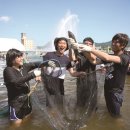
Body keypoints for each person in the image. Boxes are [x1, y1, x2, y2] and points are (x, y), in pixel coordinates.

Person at [71, 33, 129, 117]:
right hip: (107, 89)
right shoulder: (111, 56)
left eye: (116, 42)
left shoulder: (124, 57)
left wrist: (90, 49)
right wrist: (81, 48)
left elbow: (107, 58)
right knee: (110, 112)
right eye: (112, 41)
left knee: (116, 116)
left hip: (116, 92)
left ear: (123, 45)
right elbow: (93, 61)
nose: (113, 43)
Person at [3, 48, 54, 126]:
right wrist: (33, 74)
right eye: (18, 57)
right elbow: (15, 82)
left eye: (21, 56)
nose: (21, 58)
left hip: (27, 102)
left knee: (28, 121)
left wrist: (47, 63)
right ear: (11, 59)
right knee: (15, 125)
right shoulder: (8, 70)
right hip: (16, 104)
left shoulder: (24, 67)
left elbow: (37, 64)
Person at [42, 37, 86, 106]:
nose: (62, 45)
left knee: (60, 105)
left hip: (60, 85)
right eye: (60, 43)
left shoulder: (67, 59)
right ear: (56, 45)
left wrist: (80, 73)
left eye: (64, 43)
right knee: (50, 106)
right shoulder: (48, 55)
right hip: (49, 85)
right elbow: (42, 68)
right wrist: (39, 76)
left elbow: (72, 73)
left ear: (67, 46)